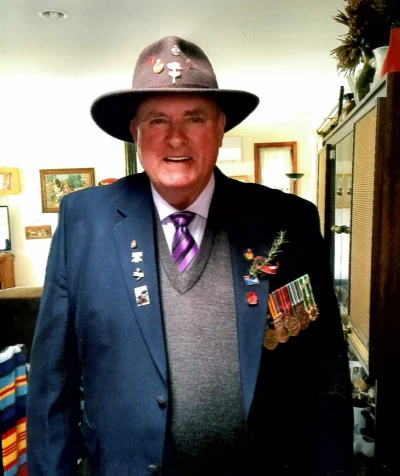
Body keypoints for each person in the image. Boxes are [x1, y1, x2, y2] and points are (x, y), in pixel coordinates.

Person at [27, 36, 354, 476]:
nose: (175, 137)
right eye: (157, 120)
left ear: (220, 126)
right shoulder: (84, 220)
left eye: (194, 118)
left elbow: (325, 375)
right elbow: (52, 380)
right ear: (135, 132)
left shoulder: (286, 220)